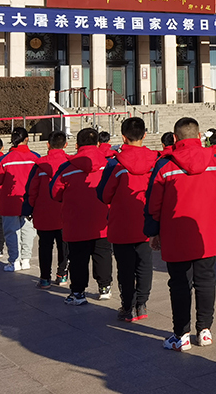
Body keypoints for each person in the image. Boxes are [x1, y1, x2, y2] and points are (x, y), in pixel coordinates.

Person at [146, 116, 216, 351]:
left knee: (180, 284)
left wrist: (153, 232)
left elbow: (153, 203)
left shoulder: (165, 165)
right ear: (198, 134)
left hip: (175, 233)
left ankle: (181, 334)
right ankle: (205, 330)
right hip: (207, 230)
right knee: (206, 281)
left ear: (175, 138)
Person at [97, 117, 158, 322]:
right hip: (146, 222)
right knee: (144, 264)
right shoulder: (155, 161)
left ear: (123, 136)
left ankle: (127, 306)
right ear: (145, 135)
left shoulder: (115, 163)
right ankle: (142, 304)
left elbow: (104, 195)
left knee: (125, 267)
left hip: (121, 223)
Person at [50, 127, 112, 305]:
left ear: (77, 145)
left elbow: (55, 193)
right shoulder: (108, 164)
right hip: (103, 219)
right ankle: (105, 287)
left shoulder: (66, 168)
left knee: (78, 258)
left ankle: (78, 292)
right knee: (103, 253)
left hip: (75, 221)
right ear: (98, 144)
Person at [24, 130, 70, 289]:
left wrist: (29, 207)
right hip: (65, 211)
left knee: (45, 246)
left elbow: (32, 189)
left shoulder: (39, 165)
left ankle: (44, 278)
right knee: (64, 245)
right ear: (66, 144)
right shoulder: (70, 163)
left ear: (48, 144)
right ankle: (62, 274)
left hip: (43, 211)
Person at [0, 127, 40, 272]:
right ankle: (26, 259)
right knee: (28, 231)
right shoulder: (36, 157)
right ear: (27, 139)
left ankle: (14, 261)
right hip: (29, 200)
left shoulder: (4, 159)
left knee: (11, 232)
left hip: (10, 200)